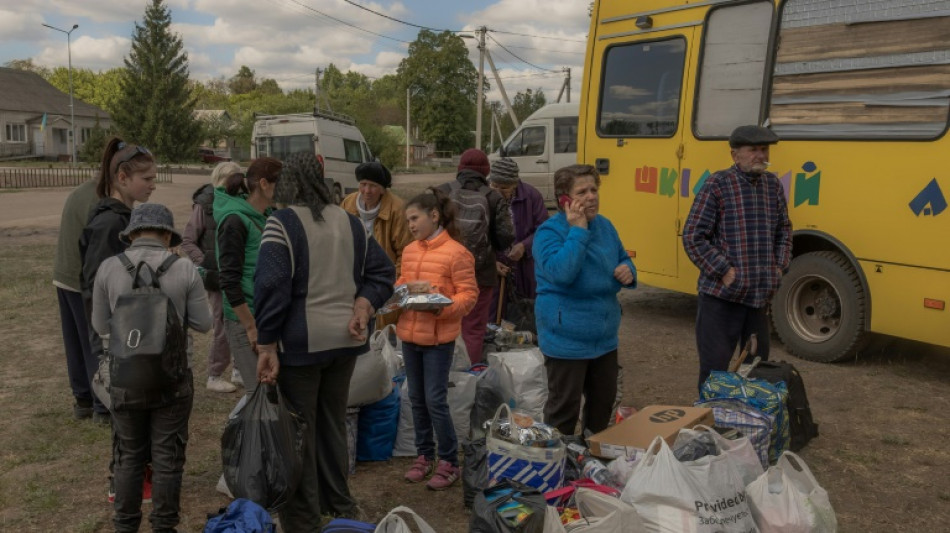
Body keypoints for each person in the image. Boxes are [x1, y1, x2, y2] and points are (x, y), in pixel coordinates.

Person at [254, 152, 395, 530]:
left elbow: (270, 285)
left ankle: (304, 518)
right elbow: (383, 272)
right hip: (345, 344)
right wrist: (363, 306)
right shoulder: (350, 223)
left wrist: (266, 345)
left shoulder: (281, 223)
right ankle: (339, 503)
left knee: (297, 430)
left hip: (300, 346)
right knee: (332, 422)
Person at [91, 203, 212, 533]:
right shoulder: (184, 269)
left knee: (128, 455)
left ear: (132, 233)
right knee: (168, 458)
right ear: (165, 233)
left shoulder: (108, 268)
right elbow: (203, 323)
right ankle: (163, 527)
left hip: (124, 377)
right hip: (172, 377)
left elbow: (101, 323)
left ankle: (125, 526)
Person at [683, 125, 792, 391]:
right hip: (721, 299)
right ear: (735, 155)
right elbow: (693, 236)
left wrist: (779, 267)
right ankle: (710, 425)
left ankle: (744, 425)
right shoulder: (717, 184)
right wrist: (724, 270)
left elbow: (784, 230)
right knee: (715, 370)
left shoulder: (772, 186)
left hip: (757, 299)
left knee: (755, 369)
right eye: (752, 149)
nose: (760, 155)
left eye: (764, 149)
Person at [534, 164, 637, 436]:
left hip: (604, 338)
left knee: (602, 406)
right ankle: (558, 465)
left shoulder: (605, 226)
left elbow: (622, 257)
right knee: (563, 410)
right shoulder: (548, 233)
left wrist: (629, 270)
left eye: (594, 189)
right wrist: (578, 230)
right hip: (565, 340)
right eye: (582, 191)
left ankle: (590, 460)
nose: (592, 196)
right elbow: (562, 274)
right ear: (564, 199)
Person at [396, 188, 478, 490]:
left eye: (415, 218)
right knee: (416, 399)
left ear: (434, 216)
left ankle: (448, 461)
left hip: (439, 339)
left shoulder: (457, 252)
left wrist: (441, 307)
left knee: (435, 400)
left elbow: (469, 295)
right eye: (407, 221)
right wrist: (398, 294)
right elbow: (403, 282)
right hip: (409, 334)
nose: (411, 226)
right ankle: (424, 455)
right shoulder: (409, 250)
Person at [80, 137, 158, 424]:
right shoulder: (110, 223)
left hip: (130, 332)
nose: (153, 184)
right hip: (116, 339)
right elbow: (95, 285)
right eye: (147, 178)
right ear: (123, 178)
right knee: (127, 423)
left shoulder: (126, 218)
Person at [438, 148, 514, 362]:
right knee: (473, 329)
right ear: (486, 171)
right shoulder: (493, 197)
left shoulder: (441, 192)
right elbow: (505, 238)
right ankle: (469, 378)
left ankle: (444, 377)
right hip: (480, 275)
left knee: (443, 325)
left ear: (460, 168)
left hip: (443, 272)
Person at [214, 157, 282, 394]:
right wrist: (250, 327)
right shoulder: (234, 221)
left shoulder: (268, 215)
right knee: (260, 395)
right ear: (264, 183)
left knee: (271, 395)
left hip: (267, 316)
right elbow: (229, 281)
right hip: (246, 320)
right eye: (281, 183)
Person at [181, 161, 241, 393]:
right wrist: (206, 261)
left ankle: (238, 369)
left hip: (237, 274)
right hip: (217, 277)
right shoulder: (204, 205)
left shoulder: (241, 200)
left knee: (240, 322)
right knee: (222, 325)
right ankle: (215, 374)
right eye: (232, 179)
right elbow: (188, 240)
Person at [53, 177, 99, 419]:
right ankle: (99, 401)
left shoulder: (82, 192)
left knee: (75, 341)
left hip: (65, 275)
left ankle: (83, 400)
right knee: (93, 342)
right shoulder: (100, 199)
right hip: (80, 280)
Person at [488, 157, 548, 323]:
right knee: (494, 316)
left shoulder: (531, 196)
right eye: (495, 186)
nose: (498, 192)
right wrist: (491, 261)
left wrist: (524, 246)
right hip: (495, 268)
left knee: (524, 314)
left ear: (515, 184)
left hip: (524, 267)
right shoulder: (483, 197)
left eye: (504, 188)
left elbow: (544, 230)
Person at [341, 161, 413, 276]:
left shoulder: (398, 209)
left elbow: (406, 252)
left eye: (373, 186)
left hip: (384, 274)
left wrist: (391, 280)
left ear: (383, 190)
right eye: (363, 184)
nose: (367, 191)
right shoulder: (348, 203)